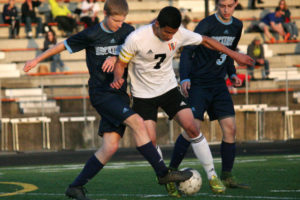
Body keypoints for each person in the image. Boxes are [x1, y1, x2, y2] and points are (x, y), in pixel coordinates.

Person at [23, 1, 192, 200]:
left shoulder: (128, 31)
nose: (119, 25)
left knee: (110, 146)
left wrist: (118, 56)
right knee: (137, 122)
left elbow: (138, 49)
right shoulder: (91, 34)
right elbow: (62, 45)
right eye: (115, 20)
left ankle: (75, 186)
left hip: (119, 95)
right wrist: (36, 60)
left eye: (122, 21)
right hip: (101, 94)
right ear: (105, 14)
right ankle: (163, 173)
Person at [111, 6, 254, 197]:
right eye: (167, 32)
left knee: (193, 128)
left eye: (174, 33)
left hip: (169, 89)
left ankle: (212, 177)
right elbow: (120, 64)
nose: (171, 37)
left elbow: (206, 41)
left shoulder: (179, 33)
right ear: (157, 24)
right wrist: (117, 80)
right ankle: (166, 178)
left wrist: (234, 55)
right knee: (151, 141)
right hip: (143, 95)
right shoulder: (137, 38)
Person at [179, 0, 251, 191]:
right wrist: (184, 77)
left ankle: (227, 175)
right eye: (222, 6)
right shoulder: (206, 24)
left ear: (236, 4)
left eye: (230, 5)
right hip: (199, 83)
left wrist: (232, 74)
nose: (226, 10)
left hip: (219, 84)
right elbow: (187, 50)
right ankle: (170, 171)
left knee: (230, 128)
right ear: (217, 5)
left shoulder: (237, 25)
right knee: (191, 129)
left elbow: (229, 53)